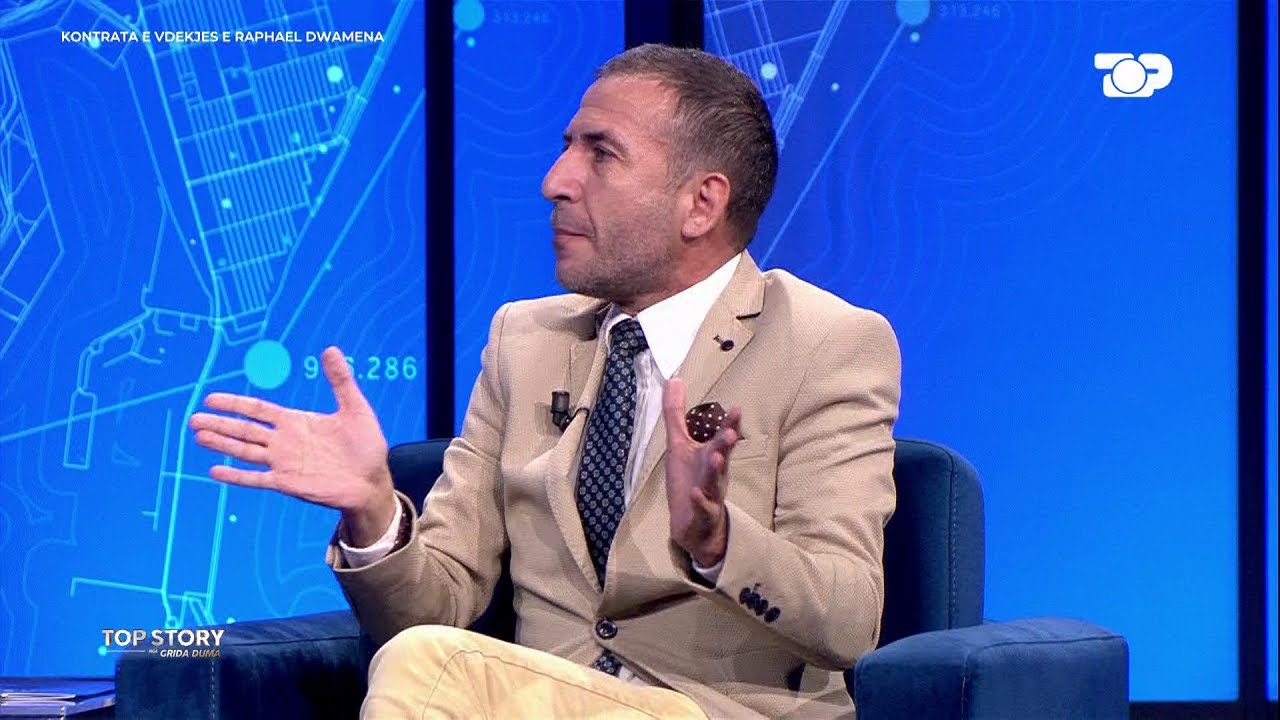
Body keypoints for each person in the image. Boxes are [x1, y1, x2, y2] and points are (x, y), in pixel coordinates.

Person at [190, 44, 900, 719]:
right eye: (567, 147)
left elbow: (848, 620)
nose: (555, 181)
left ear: (701, 204)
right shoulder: (523, 342)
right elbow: (431, 611)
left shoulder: (825, 344)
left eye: (601, 154)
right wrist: (374, 512)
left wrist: (718, 542)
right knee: (422, 657)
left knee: (426, 667)